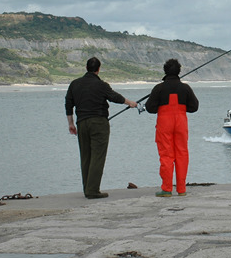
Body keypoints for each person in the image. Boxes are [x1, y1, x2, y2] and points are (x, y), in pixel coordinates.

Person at [65, 57, 136, 199]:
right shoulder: (102, 85)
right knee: (98, 156)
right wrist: (130, 103)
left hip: (81, 123)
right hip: (98, 123)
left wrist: (71, 124)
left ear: (86, 68)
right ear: (98, 69)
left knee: (85, 156)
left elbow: (68, 104)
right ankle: (93, 190)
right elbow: (114, 97)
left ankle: (87, 188)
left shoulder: (74, 84)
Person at [145, 58, 199, 197]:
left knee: (166, 155)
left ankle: (167, 188)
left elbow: (150, 108)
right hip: (181, 121)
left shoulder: (159, 88)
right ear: (179, 71)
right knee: (182, 154)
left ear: (165, 71)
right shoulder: (185, 88)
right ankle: (181, 189)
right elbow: (194, 107)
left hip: (164, 122)